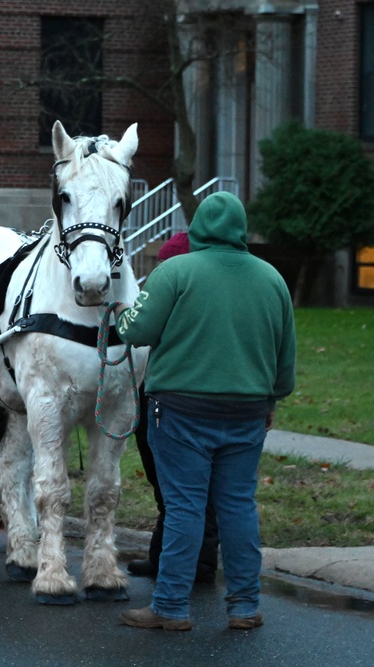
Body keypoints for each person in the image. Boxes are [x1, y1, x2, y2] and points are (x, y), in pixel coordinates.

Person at [113, 192, 296, 631]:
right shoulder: (272, 279)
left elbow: (134, 330)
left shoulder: (175, 271)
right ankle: (245, 606)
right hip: (248, 412)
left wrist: (119, 311)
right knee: (237, 506)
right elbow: (284, 360)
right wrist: (271, 398)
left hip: (180, 412)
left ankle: (171, 608)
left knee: (185, 509)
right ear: (240, 228)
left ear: (197, 229)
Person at [128, 231, 220, 586]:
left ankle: (198, 567)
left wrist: (124, 315)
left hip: (175, 402)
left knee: (188, 491)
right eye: (159, 265)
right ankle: (165, 557)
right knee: (169, 487)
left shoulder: (184, 296)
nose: (160, 272)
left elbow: (137, 330)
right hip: (157, 398)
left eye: (166, 264)